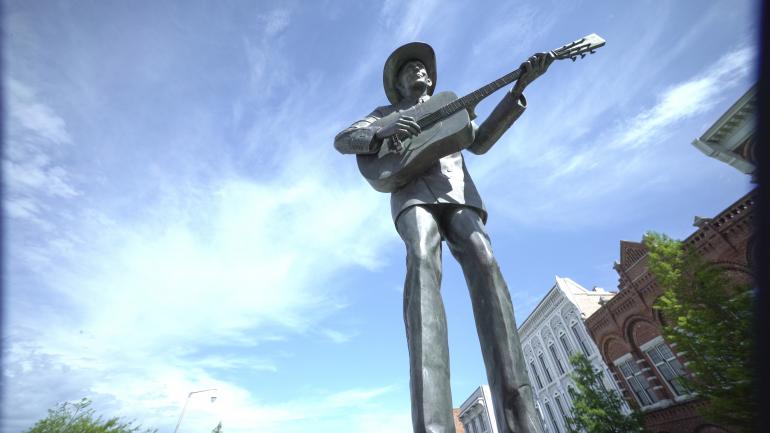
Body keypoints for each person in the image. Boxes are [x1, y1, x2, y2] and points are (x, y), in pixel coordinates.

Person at [334, 42, 553, 433]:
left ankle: (521, 421)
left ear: (431, 78)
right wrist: (383, 130)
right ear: (398, 85)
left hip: (458, 194)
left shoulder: (453, 107)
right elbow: (344, 139)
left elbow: (480, 141)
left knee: (484, 259)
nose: (418, 70)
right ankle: (433, 426)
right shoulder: (385, 114)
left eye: (422, 67)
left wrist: (517, 91)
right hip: (412, 194)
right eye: (409, 69)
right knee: (421, 259)